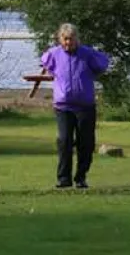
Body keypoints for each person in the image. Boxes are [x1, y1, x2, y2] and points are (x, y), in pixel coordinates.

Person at [39, 23, 110, 189]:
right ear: (60, 39)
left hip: (85, 106)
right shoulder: (54, 54)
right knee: (64, 141)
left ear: (76, 39)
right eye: (65, 39)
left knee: (86, 143)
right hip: (63, 107)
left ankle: (81, 177)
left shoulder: (87, 54)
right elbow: (46, 64)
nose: (68, 43)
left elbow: (103, 64)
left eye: (71, 39)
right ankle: (64, 178)